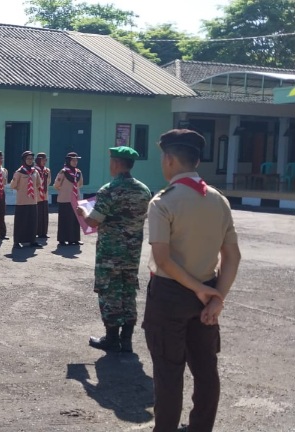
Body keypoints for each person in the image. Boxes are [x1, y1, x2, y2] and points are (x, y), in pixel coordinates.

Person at [143, 129, 240, 432]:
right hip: (208, 291)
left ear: (169, 159)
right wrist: (215, 297)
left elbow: (164, 261)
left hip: (170, 295)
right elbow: (233, 257)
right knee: (206, 370)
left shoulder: (163, 201)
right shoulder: (219, 201)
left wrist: (200, 290)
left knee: (168, 373)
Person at [75, 146, 152, 353]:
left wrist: (82, 211)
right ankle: (126, 340)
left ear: (117, 163)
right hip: (132, 253)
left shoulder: (109, 190)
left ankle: (111, 338)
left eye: (111, 161)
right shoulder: (144, 190)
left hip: (110, 253)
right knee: (128, 293)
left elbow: (93, 221)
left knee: (110, 293)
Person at [9, 151, 42, 249]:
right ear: (24, 160)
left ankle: (32, 240)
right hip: (22, 201)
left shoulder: (35, 171)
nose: (30, 160)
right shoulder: (19, 172)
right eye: (28, 159)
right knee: (21, 222)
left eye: (31, 159)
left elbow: (38, 184)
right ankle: (17, 241)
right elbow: (13, 185)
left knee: (32, 221)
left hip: (32, 200)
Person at [53, 152, 84, 246]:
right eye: (73, 160)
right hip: (65, 199)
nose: (75, 162)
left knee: (75, 220)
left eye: (76, 160)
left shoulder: (78, 172)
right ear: (68, 161)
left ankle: (74, 239)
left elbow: (81, 184)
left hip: (75, 199)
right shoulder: (63, 172)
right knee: (65, 220)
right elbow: (56, 185)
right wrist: (64, 191)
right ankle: (62, 239)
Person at [34, 153, 52, 239]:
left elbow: (48, 181)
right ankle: (37, 231)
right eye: (43, 160)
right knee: (38, 214)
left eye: (45, 160)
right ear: (38, 160)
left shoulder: (47, 170)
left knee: (44, 214)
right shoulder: (34, 170)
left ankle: (44, 232)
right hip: (37, 195)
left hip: (44, 195)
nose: (44, 162)